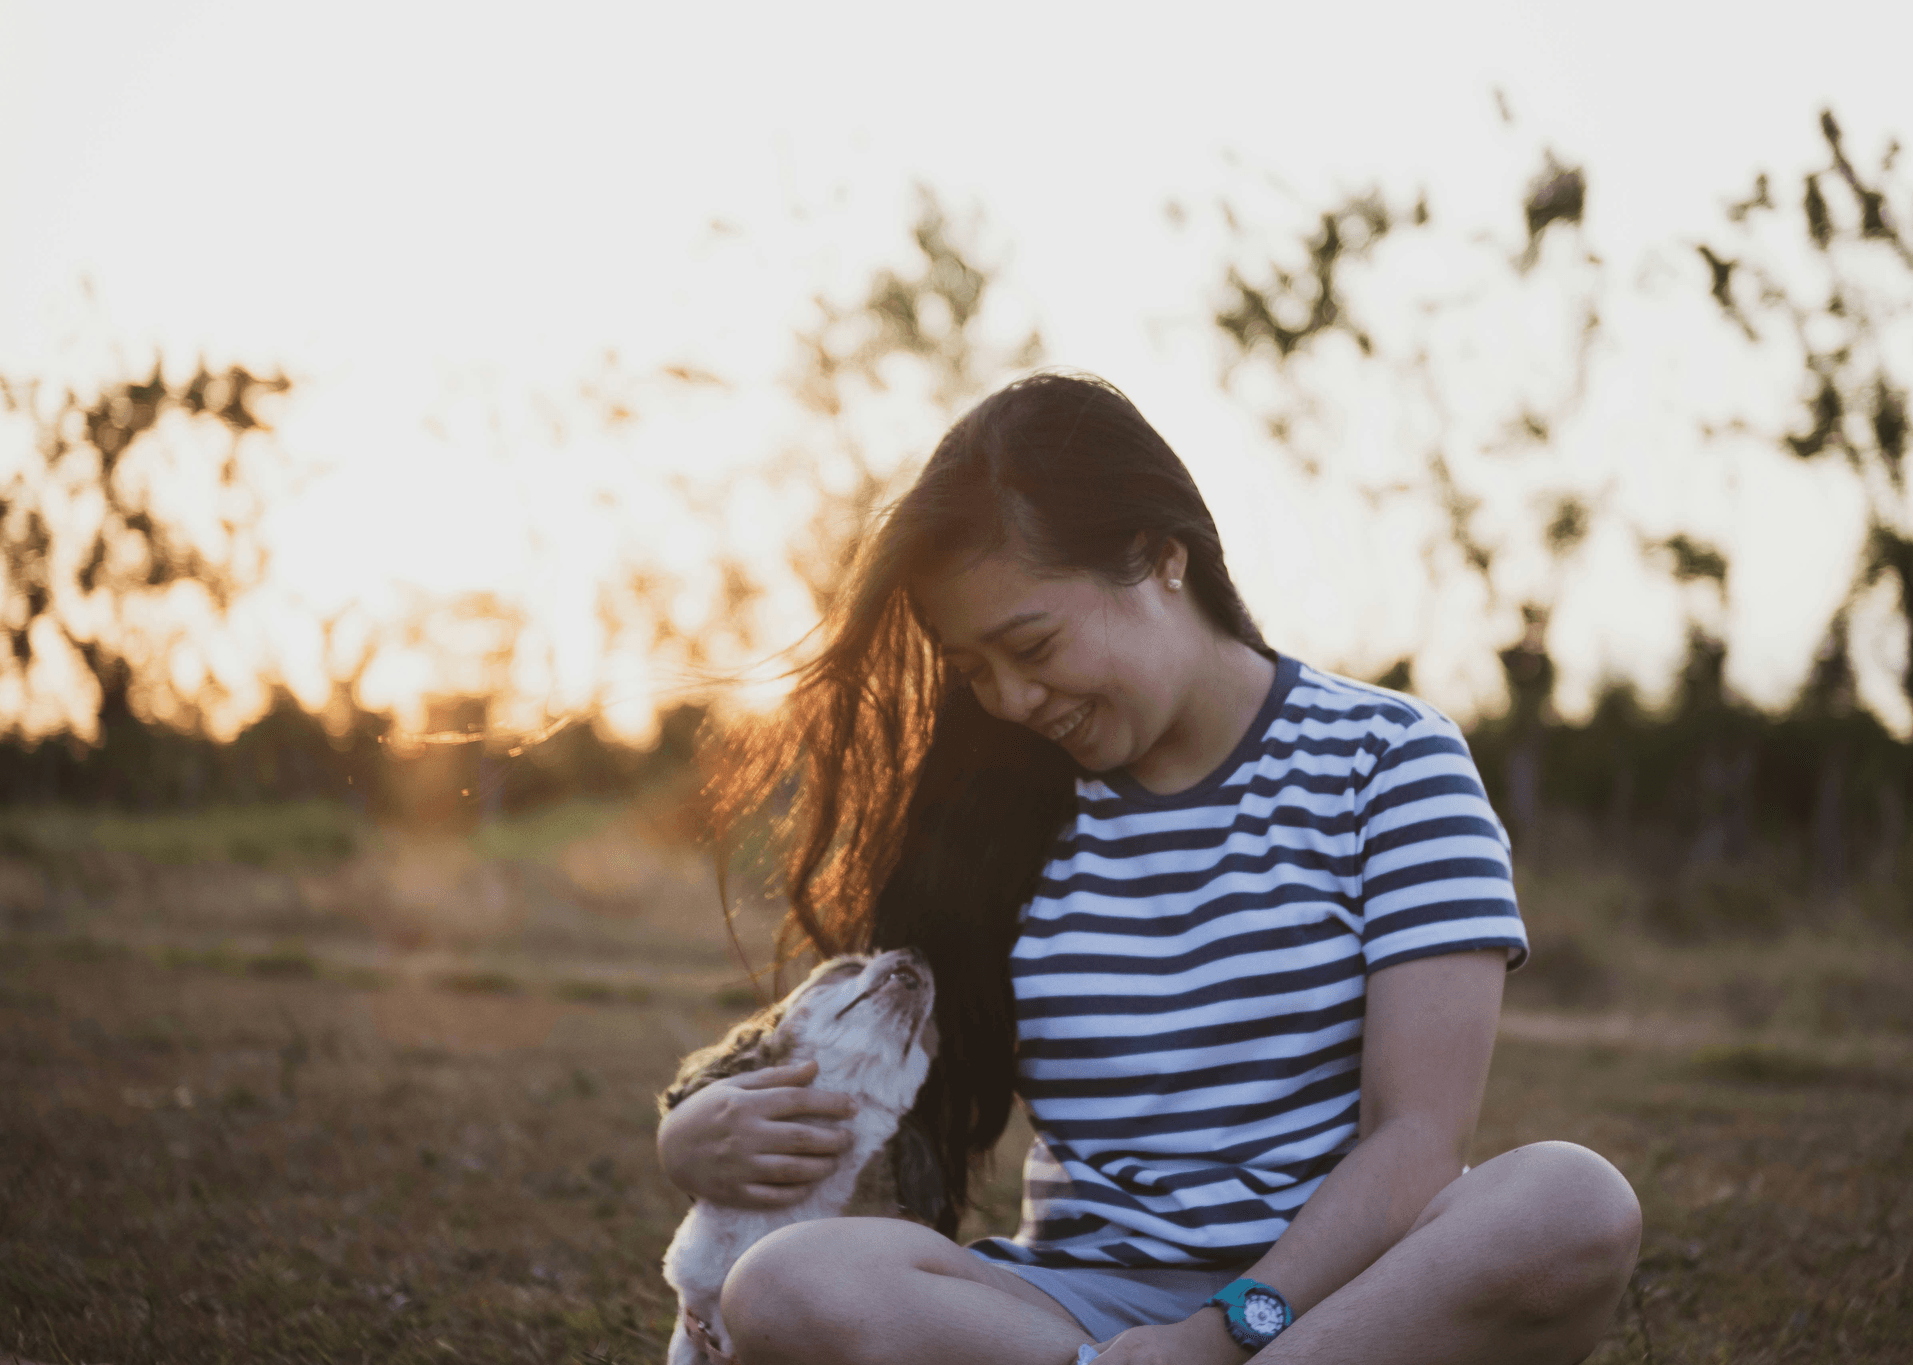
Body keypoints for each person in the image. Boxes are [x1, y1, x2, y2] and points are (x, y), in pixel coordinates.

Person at [657, 372, 1641, 1365]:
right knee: (785, 1285)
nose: (1009, 699)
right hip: (1076, 1322)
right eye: (973, 670)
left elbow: (1417, 1139)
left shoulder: (1388, 761)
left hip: (1346, 1309)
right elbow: (854, 1044)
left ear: (1157, 556)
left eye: (1029, 645)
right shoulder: (997, 815)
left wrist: (1224, 1333)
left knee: (1570, 1198)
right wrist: (691, 1132)